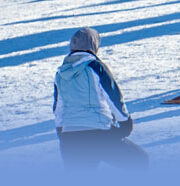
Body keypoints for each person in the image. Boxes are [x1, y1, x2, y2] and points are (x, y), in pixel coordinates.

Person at [53, 28, 148, 170]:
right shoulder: (95, 67)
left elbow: (58, 106)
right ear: (93, 45)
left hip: (70, 137)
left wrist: (61, 130)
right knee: (139, 160)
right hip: (96, 133)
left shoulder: (61, 73)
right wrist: (125, 122)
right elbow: (112, 96)